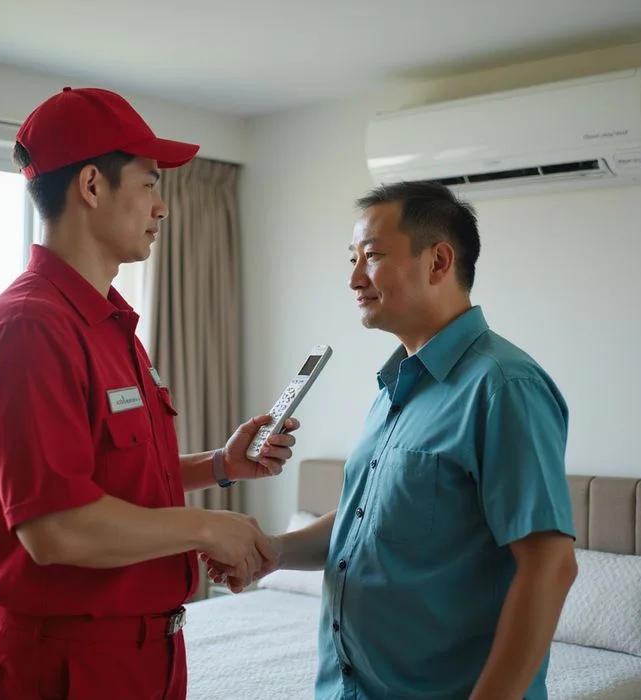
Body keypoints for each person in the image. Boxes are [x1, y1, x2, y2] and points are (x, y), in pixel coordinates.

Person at [0, 86, 296, 700]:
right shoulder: (31, 328)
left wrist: (219, 465)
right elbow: (57, 529)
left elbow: (111, 483)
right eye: (149, 184)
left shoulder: (109, 324)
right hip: (67, 664)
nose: (162, 207)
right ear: (91, 186)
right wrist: (206, 529)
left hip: (148, 654)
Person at [209, 181, 577, 699]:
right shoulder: (395, 388)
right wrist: (275, 550)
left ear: (438, 261)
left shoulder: (502, 387)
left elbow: (550, 564)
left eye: (373, 256)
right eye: (352, 258)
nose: (355, 277)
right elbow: (369, 519)